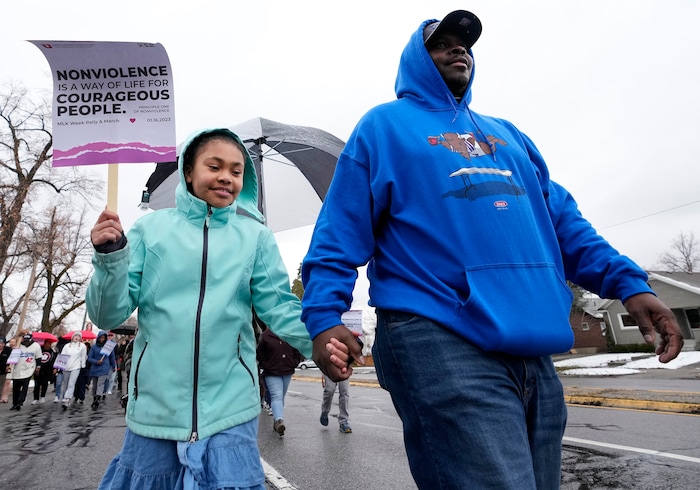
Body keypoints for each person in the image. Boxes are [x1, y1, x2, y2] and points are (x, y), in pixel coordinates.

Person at [300, 10, 685, 489]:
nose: (458, 49)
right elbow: (338, 231)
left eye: (465, 43)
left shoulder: (509, 135)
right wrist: (325, 317)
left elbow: (564, 223)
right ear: (417, 58)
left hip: (533, 343)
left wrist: (629, 284)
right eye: (442, 44)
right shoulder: (384, 127)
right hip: (437, 333)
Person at [86, 128, 330, 489]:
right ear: (189, 170)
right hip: (155, 405)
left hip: (231, 405)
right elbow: (107, 314)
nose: (225, 177)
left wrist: (321, 342)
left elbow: (280, 307)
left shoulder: (256, 237)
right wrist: (110, 259)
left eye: (235, 171)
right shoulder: (150, 229)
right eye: (213, 166)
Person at [256, 327, 302, 437]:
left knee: (281, 397)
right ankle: (279, 420)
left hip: (287, 370)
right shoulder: (266, 335)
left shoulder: (289, 333)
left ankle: (277, 420)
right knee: (276, 395)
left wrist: (294, 362)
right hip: (272, 372)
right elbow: (259, 352)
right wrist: (265, 365)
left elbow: (297, 349)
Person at [10, 333, 42, 410]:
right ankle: (15, 403)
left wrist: (38, 367)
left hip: (29, 368)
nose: (26, 342)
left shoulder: (36, 346)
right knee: (16, 387)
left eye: (28, 340)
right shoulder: (18, 345)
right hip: (18, 368)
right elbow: (12, 354)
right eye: (25, 340)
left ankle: (20, 402)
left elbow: (38, 357)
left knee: (25, 386)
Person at [86, 331, 117, 409]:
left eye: (103, 337)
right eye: (100, 337)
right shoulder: (94, 347)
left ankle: (97, 398)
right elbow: (89, 358)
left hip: (104, 368)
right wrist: (96, 361)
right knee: (95, 385)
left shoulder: (108, 347)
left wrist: (114, 366)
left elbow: (112, 358)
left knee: (100, 383)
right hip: (95, 368)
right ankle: (94, 398)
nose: (101, 339)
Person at [59, 331, 87, 410]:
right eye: (75, 336)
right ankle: (65, 397)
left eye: (78, 336)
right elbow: (63, 356)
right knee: (66, 383)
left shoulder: (82, 346)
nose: (76, 337)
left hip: (76, 367)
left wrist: (83, 366)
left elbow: (83, 356)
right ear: (72, 337)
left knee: (71, 383)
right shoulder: (67, 346)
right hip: (67, 367)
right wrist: (60, 366)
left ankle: (67, 399)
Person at [32, 338, 57, 404]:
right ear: (45, 343)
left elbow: (53, 360)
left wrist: (53, 368)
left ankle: (43, 396)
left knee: (45, 383)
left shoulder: (52, 352)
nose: (49, 345)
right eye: (48, 343)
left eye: (50, 343)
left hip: (47, 370)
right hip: (38, 368)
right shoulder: (39, 349)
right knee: (37, 384)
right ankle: (35, 398)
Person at [0, 337, 13, 403]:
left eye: (1, 343)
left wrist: (8, 366)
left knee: (7, 382)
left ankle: (4, 397)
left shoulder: (8, 350)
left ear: (4, 344)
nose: (0, 345)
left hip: (6, 368)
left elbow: (12, 358)